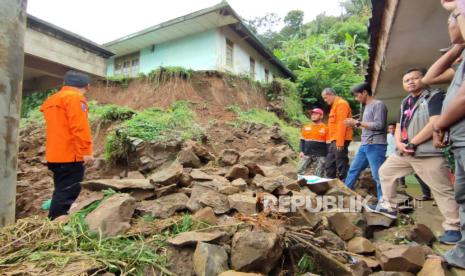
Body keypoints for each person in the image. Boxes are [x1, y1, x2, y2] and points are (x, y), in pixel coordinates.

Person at [366, 68, 461, 244]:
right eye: (406, 80)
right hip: (405, 152)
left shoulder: (435, 96)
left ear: (424, 79)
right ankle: (389, 207)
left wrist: (413, 143)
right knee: (386, 171)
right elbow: (398, 124)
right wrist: (400, 143)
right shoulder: (405, 102)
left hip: (427, 153)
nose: (410, 82)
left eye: (415, 78)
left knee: (442, 190)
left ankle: (454, 228)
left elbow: (435, 123)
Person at [427, 1, 465, 267]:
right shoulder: (461, 63)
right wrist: (458, 46)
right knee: (462, 195)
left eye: (450, 20)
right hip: (459, 142)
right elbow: (431, 76)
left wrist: (458, 8)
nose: (449, 24)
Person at [40, 71, 94, 220]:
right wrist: (86, 151)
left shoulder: (52, 100)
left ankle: (56, 218)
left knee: (61, 189)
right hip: (70, 155)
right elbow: (79, 127)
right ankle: (56, 223)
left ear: (65, 84)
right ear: (87, 87)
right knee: (68, 191)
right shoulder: (75, 98)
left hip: (54, 155)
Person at [343, 83, 387, 201]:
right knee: (353, 169)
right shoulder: (366, 106)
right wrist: (355, 124)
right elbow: (367, 126)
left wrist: (357, 123)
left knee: (379, 176)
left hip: (376, 145)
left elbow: (379, 125)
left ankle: (384, 203)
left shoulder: (378, 105)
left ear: (365, 92)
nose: (356, 99)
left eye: (357, 96)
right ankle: (344, 195)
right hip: (365, 145)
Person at [321, 88, 353, 180]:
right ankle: (331, 183)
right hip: (334, 139)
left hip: (340, 139)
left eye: (325, 98)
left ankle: (345, 184)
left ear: (331, 95)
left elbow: (341, 124)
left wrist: (340, 142)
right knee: (329, 163)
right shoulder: (335, 105)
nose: (325, 100)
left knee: (341, 162)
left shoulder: (341, 104)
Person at [297, 108, 328, 177]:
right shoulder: (306, 127)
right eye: (312, 114)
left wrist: (328, 155)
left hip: (321, 155)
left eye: (316, 114)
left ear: (321, 116)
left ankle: (318, 185)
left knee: (319, 173)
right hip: (307, 153)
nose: (313, 116)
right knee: (299, 170)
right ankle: (301, 185)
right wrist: (301, 151)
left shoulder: (326, 129)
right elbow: (302, 140)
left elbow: (328, 143)